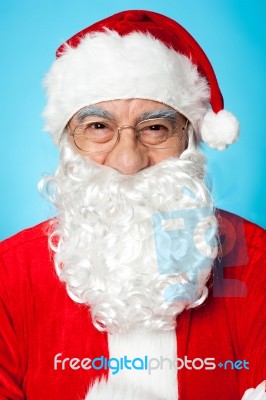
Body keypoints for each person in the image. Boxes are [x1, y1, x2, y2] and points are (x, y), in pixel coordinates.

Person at [0, 9, 265, 400]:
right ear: (68, 143)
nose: (128, 162)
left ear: (189, 139)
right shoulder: (9, 272)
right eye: (99, 128)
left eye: (155, 128)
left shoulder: (255, 259)